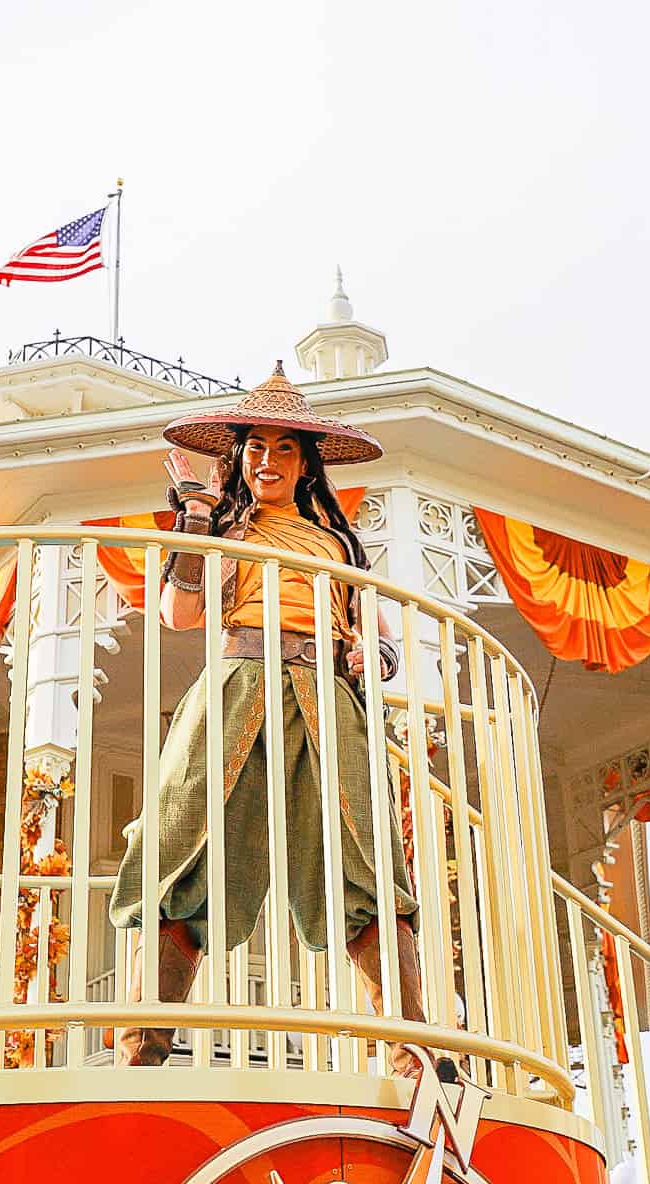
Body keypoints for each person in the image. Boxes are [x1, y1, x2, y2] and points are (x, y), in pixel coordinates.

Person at [107, 362, 431, 1074]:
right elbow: (180, 613)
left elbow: (366, 634)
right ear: (238, 458)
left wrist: (370, 659)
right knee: (177, 839)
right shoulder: (226, 530)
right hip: (235, 687)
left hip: (323, 696)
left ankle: (415, 1049)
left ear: (307, 464)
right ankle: (143, 1047)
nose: (268, 459)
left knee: (367, 851)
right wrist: (194, 520)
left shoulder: (337, 545)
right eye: (256, 446)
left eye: (286, 447)